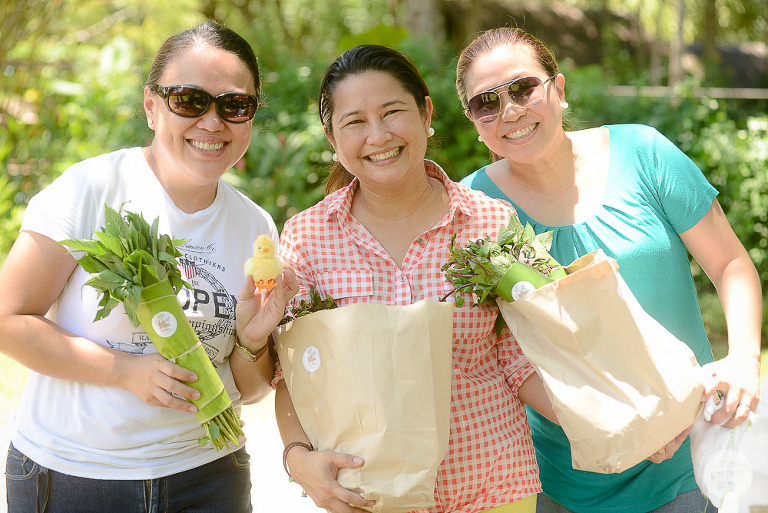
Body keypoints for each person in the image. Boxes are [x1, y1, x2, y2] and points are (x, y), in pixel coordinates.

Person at [455, 27, 763, 513]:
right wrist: (617, 423)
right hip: (564, 478)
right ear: (473, 121)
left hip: (688, 461)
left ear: (558, 88)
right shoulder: (472, 210)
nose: (509, 110)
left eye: (522, 88)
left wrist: (744, 359)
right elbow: (494, 356)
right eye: (486, 102)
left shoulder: (643, 153)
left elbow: (730, 263)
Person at [0, 21, 295, 512]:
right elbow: (7, 321)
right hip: (75, 474)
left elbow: (250, 388)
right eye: (189, 99)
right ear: (152, 106)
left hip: (210, 476)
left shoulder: (255, 225)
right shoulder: (92, 189)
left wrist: (251, 339)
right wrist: (125, 372)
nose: (212, 121)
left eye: (235, 105)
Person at [267, 44, 560, 513]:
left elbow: (522, 358)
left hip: (493, 486)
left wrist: (610, 416)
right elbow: (294, 374)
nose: (378, 135)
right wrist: (297, 457)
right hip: (370, 495)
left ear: (426, 113)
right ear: (332, 136)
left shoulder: (489, 222)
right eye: (355, 122)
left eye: (392, 112)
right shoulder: (306, 239)